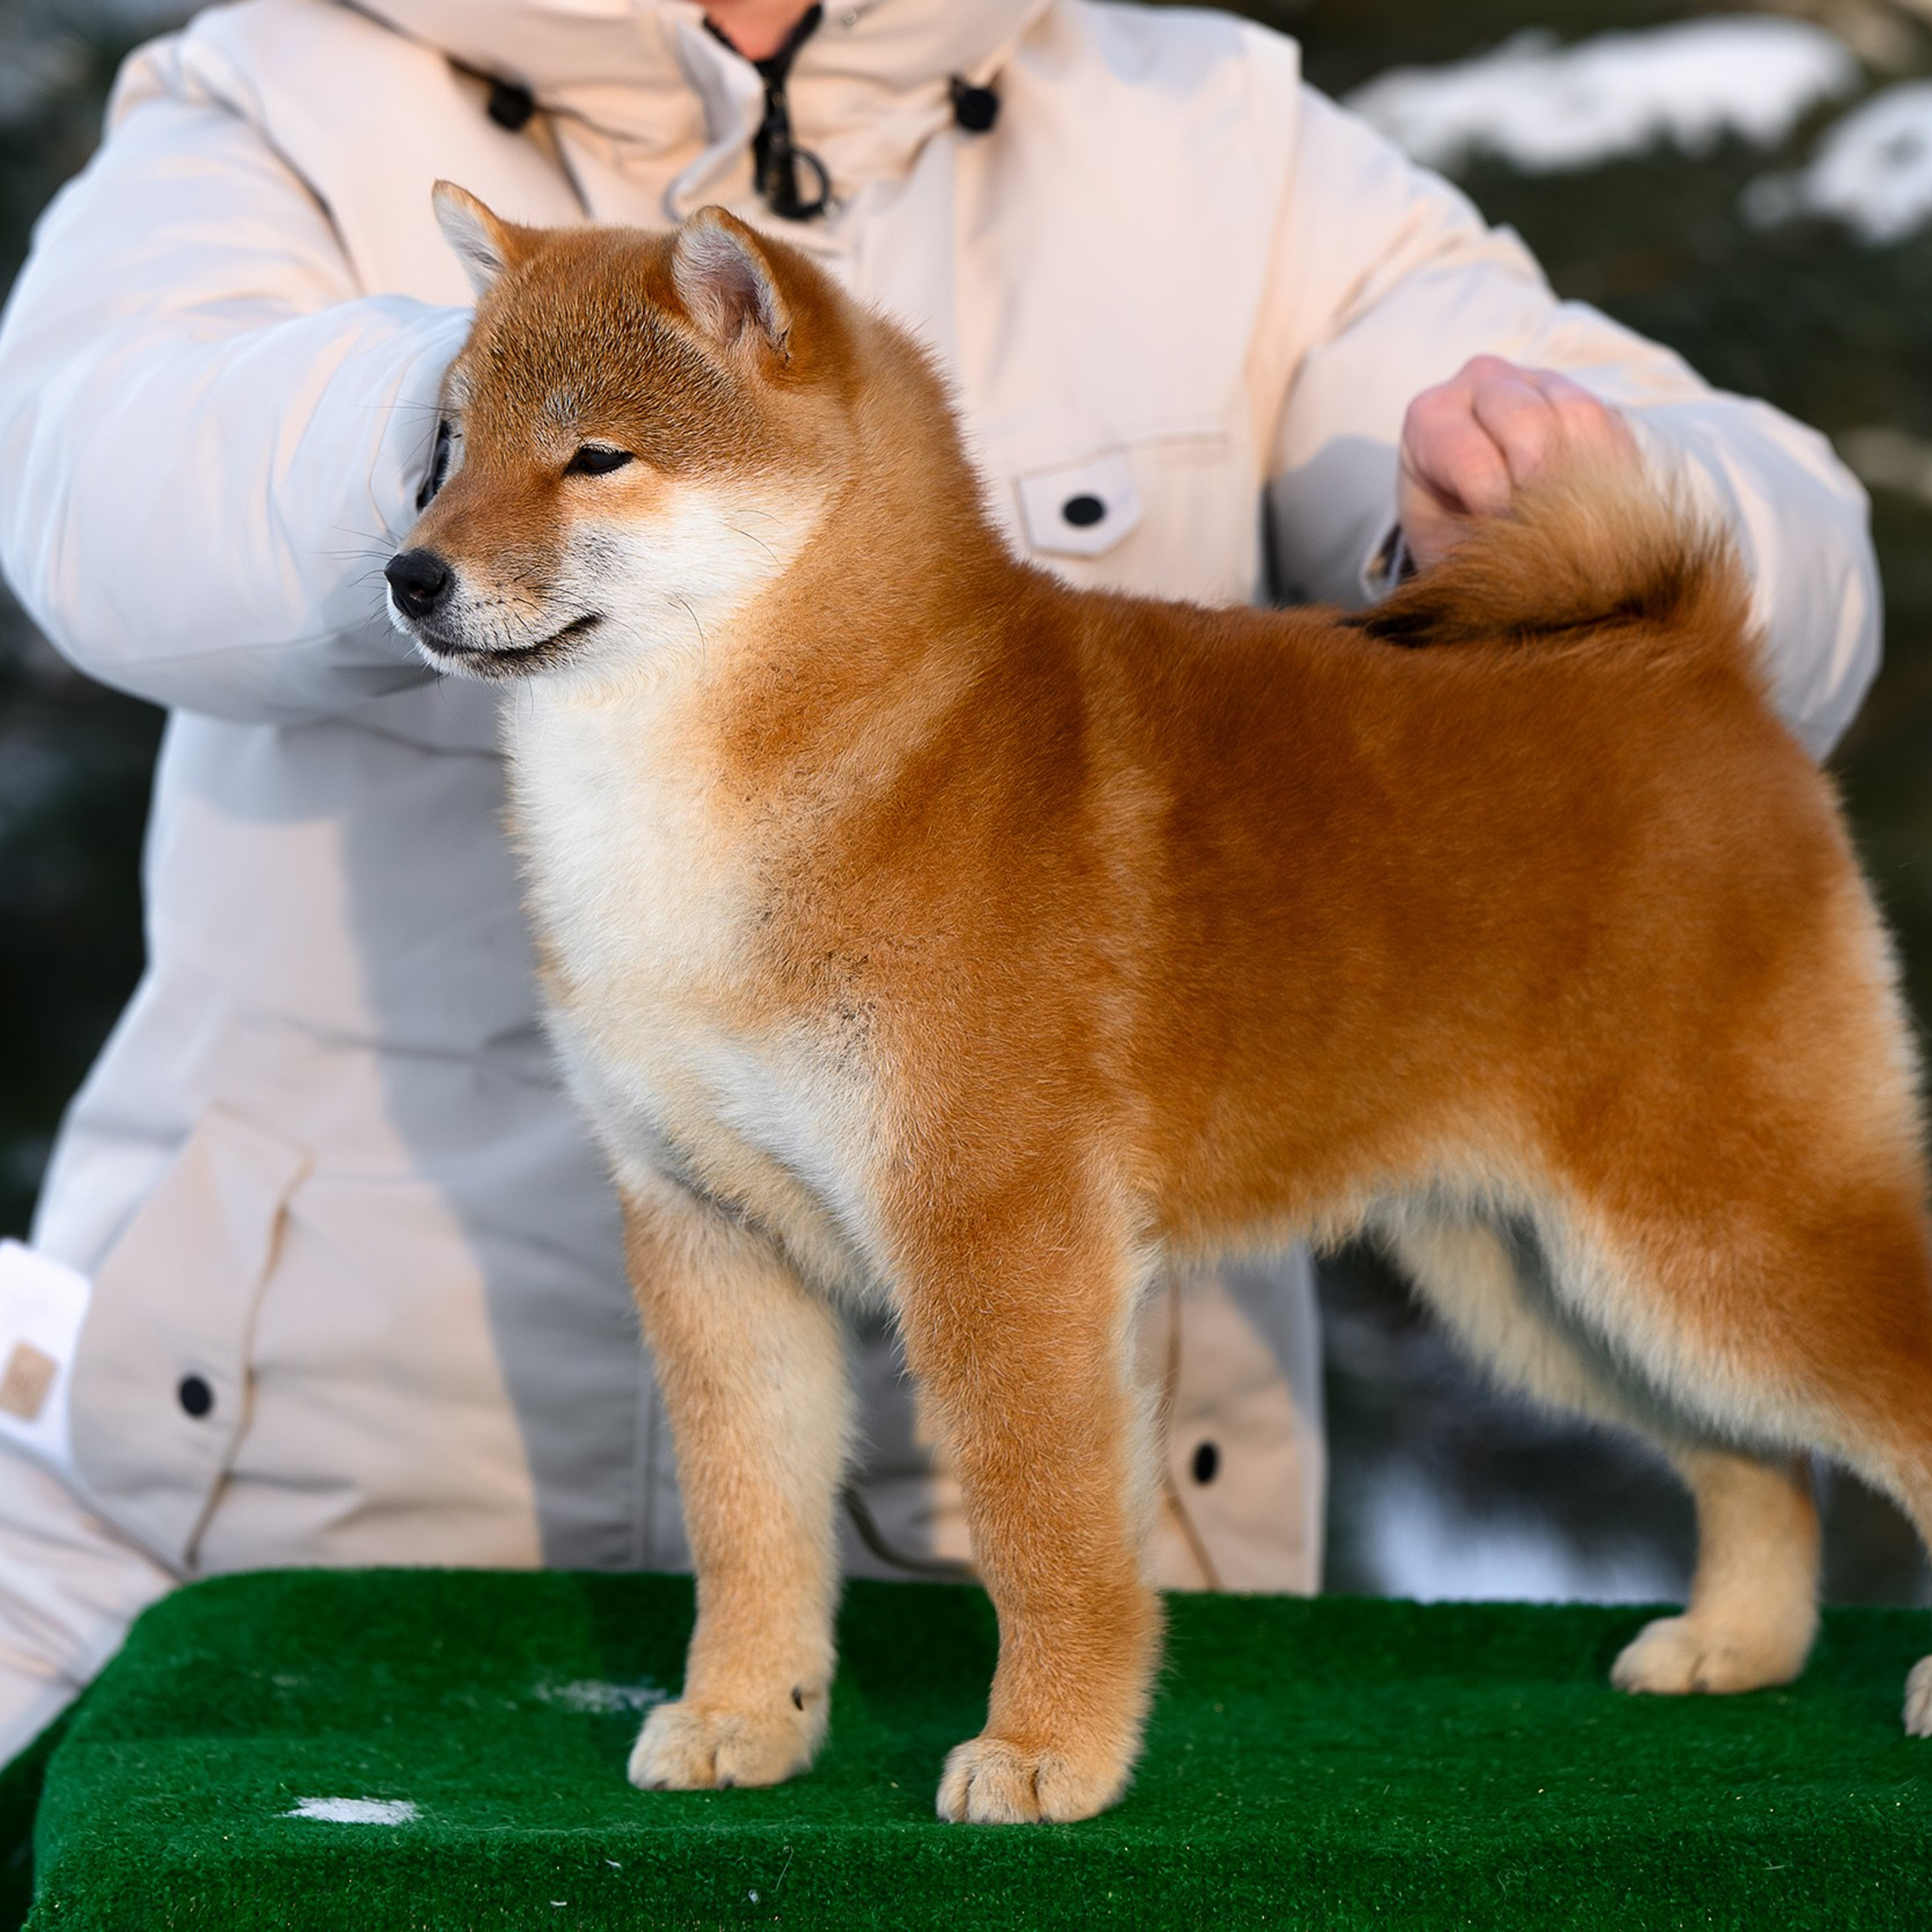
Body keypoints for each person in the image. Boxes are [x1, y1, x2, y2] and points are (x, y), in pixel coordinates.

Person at [0, 0, 1879, 1770]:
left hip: (1153, 1464)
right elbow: (101, 494)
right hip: (333, 1499)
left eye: (575, 467)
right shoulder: (271, 87)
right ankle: (764, 1656)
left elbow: (1766, 545)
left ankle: (1744, 1517)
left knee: (1690, 1278)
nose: (473, 519)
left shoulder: (1197, 123)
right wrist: (485, 394)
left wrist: (1584, 483)